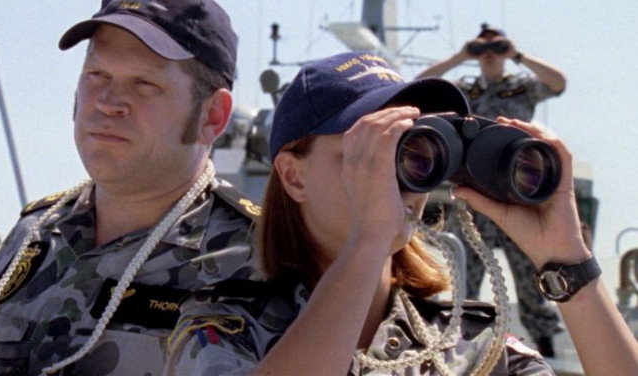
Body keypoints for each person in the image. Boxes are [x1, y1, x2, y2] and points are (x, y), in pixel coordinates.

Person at [164, 51, 638, 375]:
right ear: (293, 177)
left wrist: (568, 262)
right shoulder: (221, 329)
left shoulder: (471, 348)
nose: (392, 174)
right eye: (367, 150)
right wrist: (369, 241)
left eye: (411, 150)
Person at [0, 0, 263, 376]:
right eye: (97, 76)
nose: (109, 102)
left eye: (144, 83)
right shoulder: (34, 235)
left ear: (212, 116)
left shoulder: (257, 257)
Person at [416, 24, 568, 355]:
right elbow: (420, 86)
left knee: (530, 273)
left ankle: (544, 341)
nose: (489, 53)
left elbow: (558, 83)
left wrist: (517, 55)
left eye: (496, 47)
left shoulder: (521, 87)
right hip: (475, 188)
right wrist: (460, 57)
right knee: (464, 270)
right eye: (482, 48)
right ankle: (458, 340)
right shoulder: (465, 90)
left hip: (516, 186)